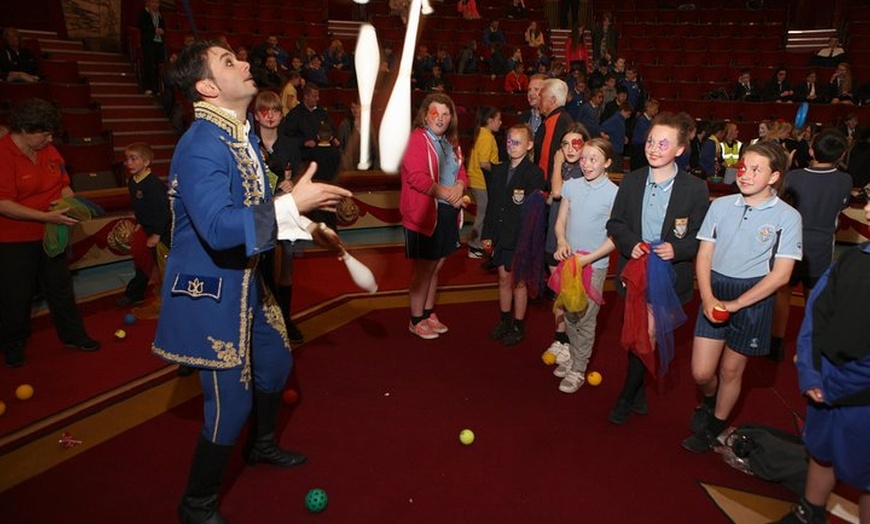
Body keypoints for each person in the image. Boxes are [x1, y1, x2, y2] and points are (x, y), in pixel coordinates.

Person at [153, 40, 351, 524]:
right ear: (206, 87)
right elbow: (221, 228)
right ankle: (196, 505)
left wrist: (305, 223)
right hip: (213, 293)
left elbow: (255, 213)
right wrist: (291, 207)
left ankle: (259, 447)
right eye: (228, 62)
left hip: (247, 284)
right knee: (230, 403)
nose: (244, 64)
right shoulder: (201, 143)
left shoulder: (236, 137)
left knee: (277, 365)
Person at [682, 141, 802, 452]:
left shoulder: (787, 217)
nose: (744, 174)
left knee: (731, 370)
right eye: (743, 167)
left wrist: (736, 304)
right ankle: (710, 400)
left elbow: (781, 275)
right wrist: (707, 297)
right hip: (715, 291)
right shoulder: (720, 206)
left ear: (774, 176)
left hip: (753, 297)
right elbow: (705, 255)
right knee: (701, 372)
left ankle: (715, 425)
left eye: (755, 170)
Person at [606, 111, 710, 425]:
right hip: (634, 272)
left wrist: (677, 249)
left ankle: (625, 396)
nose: (653, 148)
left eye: (663, 144)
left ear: (679, 149)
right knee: (638, 333)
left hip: (669, 276)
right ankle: (637, 392)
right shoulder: (633, 180)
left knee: (646, 334)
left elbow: (702, 237)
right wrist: (631, 243)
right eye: (651, 141)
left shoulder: (694, 189)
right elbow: (616, 222)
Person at [773, 204, 870, 524]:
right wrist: (812, 374)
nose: (866, 208)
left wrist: (832, 385)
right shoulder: (853, 259)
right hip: (825, 384)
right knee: (820, 450)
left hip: (859, 397)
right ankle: (809, 512)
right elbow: (814, 317)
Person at [0, 98, 101, 368]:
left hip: (50, 235)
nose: (49, 138)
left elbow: (63, 184)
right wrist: (45, 216)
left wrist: (70, 204)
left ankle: (74, 336)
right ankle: (13, 344)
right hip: (14, 240)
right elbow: (3, 204)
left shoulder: (48, 150)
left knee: (61, 288)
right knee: (16, 295)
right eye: (44, 133)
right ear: (24, 129)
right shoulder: (3, 153)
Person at [770, 129, 852, 360]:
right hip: (822, 246)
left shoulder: (794, 177)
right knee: (814, 297)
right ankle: (810, 346)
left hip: (791, 244)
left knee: (782, 292)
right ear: (841, 154)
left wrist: (786, 166)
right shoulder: (845, 180)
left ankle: (776, 343)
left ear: (812, 150)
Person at [551, 137, 618, 392]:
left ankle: (578, 368)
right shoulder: (571, 185)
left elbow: (615, 237)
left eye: (594, 159)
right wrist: (560, 241)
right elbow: (561, 222)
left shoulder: (614, 193)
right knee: (569, 313)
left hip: (594, 265)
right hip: (570, 263)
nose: (587, 164)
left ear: (607, 163)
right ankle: (574, 358)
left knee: (586, 319)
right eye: (584, 158)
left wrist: (589, 259)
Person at [401, 93, 468, 340]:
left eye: (445, 114)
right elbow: (416, 178)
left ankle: (428, 313)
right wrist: (447, 193)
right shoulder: (416, 140)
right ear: (424, 115)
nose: (440, 118)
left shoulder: (452, 143)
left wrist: (459, 187)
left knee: (437, 265)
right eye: (434, 113)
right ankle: (416, 319)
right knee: (424, 269)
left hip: (448, 212)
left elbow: (462, 171)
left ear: (451, 118)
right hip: (424, 215)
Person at [483, 124, 546, 346]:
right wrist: (487, 233)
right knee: (503, 278)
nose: (511, 146)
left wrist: (527, 241)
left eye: (517, 142)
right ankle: (505, 320)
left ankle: (518, 325)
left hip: (521, 237)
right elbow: (492, 206)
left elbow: (535, 214)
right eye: (509, 141)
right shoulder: (499, 170)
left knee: (519, 281)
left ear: (529, 145)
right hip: (501, 235)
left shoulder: (534, 174)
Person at [254, 90, 304, 345]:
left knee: (286, 266)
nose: (270, 115)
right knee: (261, 270)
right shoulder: (249, 145)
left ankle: (285, 318)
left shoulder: (290, 144)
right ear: (256, 115)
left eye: (275, 110)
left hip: (285, 213)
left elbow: (299, 174)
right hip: (259, 217)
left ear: (282, 115)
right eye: (264, 110)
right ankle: (264, 324)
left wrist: (293, 183)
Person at [117, 142, 170, 309]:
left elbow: (163, 212)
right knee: (143, 262)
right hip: (146, 228)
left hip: (162, 231)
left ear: (146, 162)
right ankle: (135, 294)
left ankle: (172, 297)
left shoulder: (152, 184)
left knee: (165, 265)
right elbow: (140, 207)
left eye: (134, 159)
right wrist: (140, 223)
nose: (129, 163)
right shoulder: (133, 181)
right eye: (127, 159)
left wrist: (157, 234)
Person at [467, 106, 502, 259]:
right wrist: (498, 168)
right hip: (481, 181)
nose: (500, 123)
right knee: (483, 214)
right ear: (490, 120)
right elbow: (483, 163)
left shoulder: (481, 133)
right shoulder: (487, 136)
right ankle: (475, 246)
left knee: (484, 213)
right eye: (498, 119)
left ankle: (479, 244)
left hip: (476, 180)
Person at [138, 0, 166, 95]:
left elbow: (163, 26)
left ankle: (157, 88)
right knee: (149, 65)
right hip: (148, 42)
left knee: (158, 65)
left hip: (158, 42)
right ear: (148, 3)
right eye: (153, 2)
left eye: (157, 3)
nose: (155, 5)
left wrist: (161, 30)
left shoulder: (159, 14)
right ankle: (148, 87)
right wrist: (154, 30)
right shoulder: (144, 13)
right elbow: (142, 26)